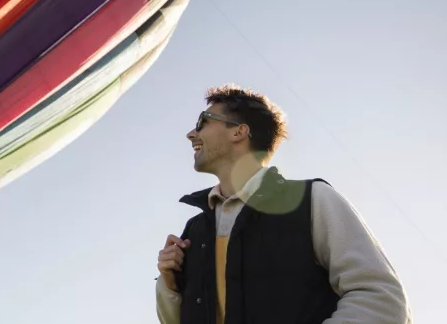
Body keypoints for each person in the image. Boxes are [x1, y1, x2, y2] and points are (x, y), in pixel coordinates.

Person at [155, 84, 411, 323]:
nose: (191, 133)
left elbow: (382, 300)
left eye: (202, 122)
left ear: (238, 131)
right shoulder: (194, 229)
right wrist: (169, 285)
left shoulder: (313, 200)